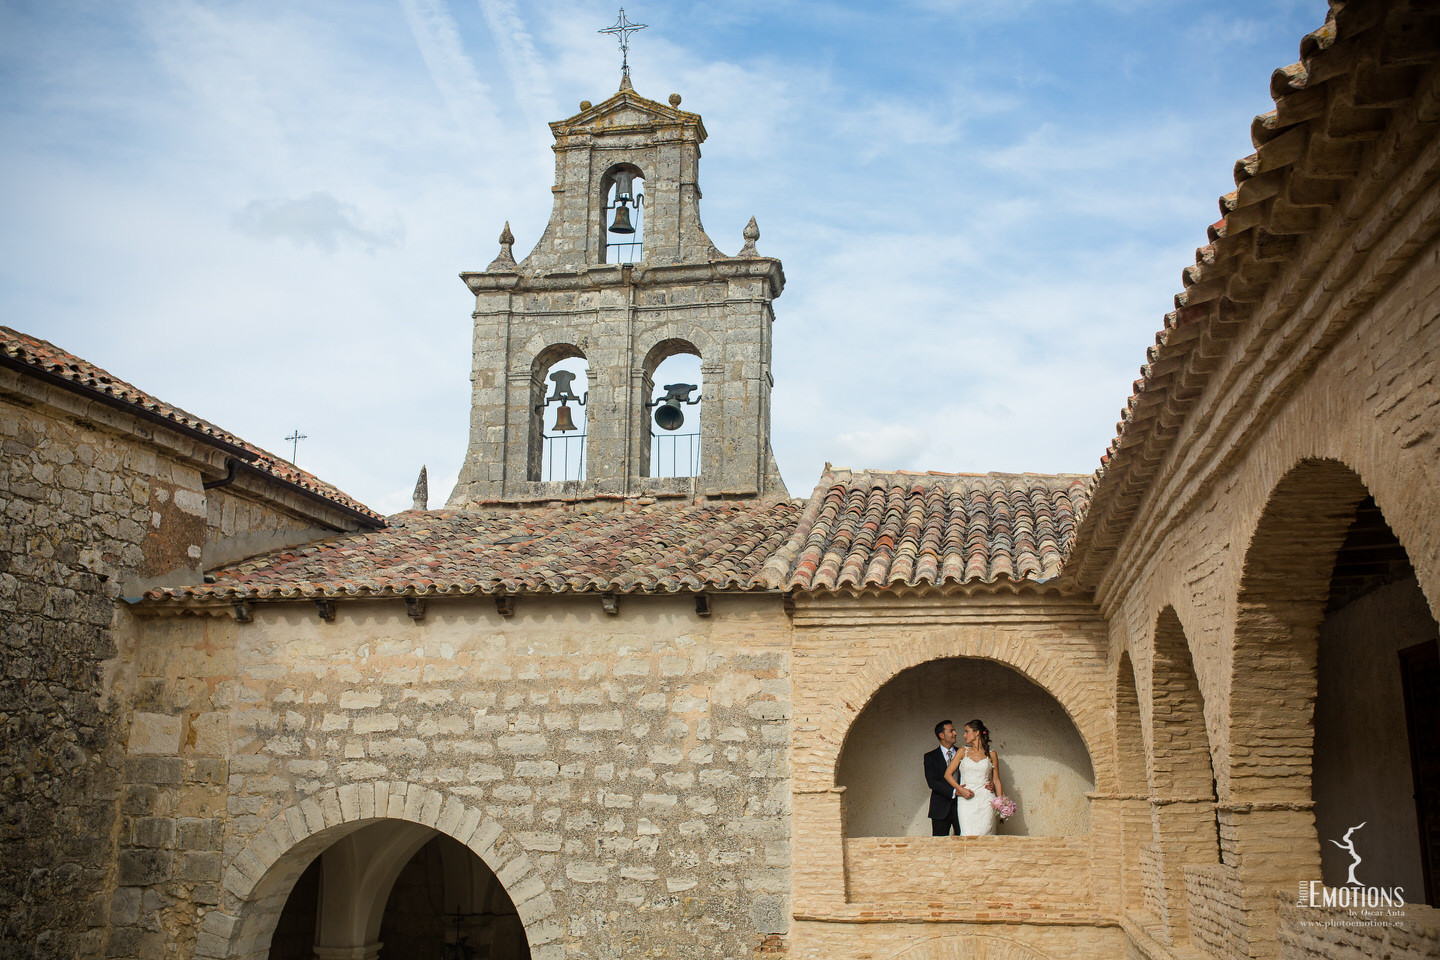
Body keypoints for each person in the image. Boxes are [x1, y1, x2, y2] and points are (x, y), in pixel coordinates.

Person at [944, 719, 1003, 836]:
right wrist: (959, 789)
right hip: (966, 800)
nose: (964, 735)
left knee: (986, 834)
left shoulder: (991, 754)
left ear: (977, 733)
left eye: (967, 732)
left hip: (986, 800)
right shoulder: (962, 751)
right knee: (967, 834)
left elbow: (996, 779)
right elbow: (947, 775)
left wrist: (1000, 802)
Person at [923, 719, 962, 836]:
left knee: (965, 844)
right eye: (951, 731)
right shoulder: (930, 757)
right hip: (940, 808)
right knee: (939, 845)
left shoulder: (963, 753)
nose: (955, 733)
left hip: (963, 806)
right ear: (941, 735)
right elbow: (932, 782)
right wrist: (955, 791)